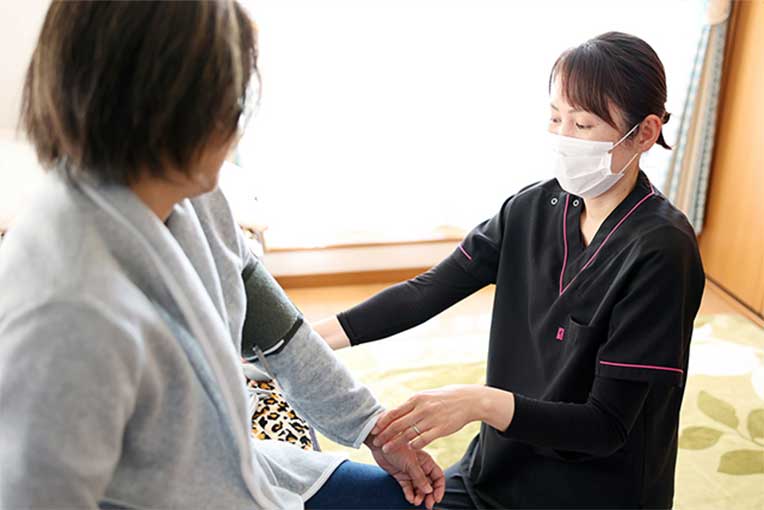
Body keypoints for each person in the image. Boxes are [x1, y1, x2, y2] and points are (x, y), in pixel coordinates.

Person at [0, 2, 445, 509]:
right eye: (230, 95)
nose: (236, 120)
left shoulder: (195, 196)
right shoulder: (67, 310)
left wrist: (373, 427)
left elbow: (279, 334)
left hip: (236, 470)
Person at [315, 32, 705, 509]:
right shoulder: (531, 209)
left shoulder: (661, 251)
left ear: (644, 133)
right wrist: (302, 344)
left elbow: (604, 427)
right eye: (556, 118)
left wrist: (478, 402)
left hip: (591, 495)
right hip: (495, 474)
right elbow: (428, 290)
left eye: (583, 124)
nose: (563, 137)